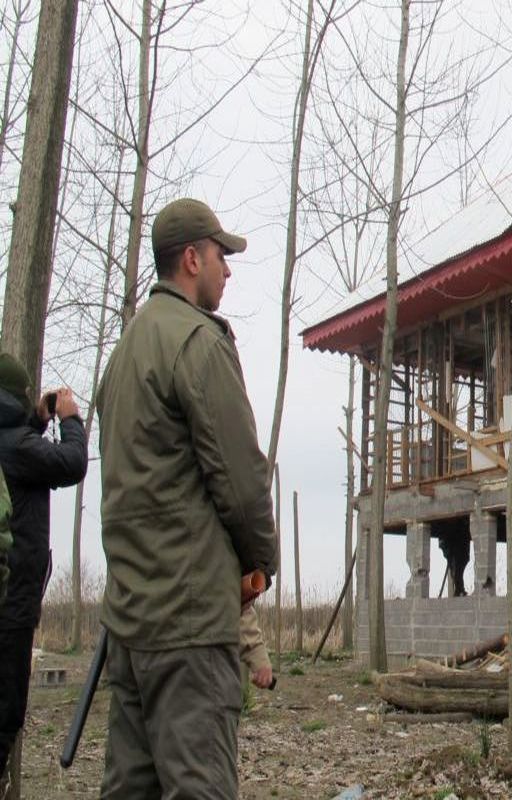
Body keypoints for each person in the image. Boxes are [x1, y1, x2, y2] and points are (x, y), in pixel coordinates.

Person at [96, 198, 278, 799]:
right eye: (222, 256)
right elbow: (241, 479)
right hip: (190, 625)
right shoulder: (197, 343)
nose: (228, 270)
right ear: (192, 259)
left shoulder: (124, 354)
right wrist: (260, 561)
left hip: (131, 623)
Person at [0, 356, 87, 777]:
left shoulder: (13, 443)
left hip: (10, 598)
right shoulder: (17, 448)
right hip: (11, 604)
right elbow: (71, 463)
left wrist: (36, 420)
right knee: (6, 715)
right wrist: (70, 421)